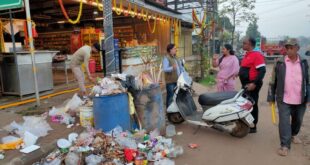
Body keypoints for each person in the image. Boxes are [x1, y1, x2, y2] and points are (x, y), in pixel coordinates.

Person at [267, 38, 310, 156]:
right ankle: (285, 145)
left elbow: (308, 81)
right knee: (284, 122)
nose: (289, 50)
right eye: (287, 48)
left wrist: (308, 97)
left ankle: (293, 134)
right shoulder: (280, 63)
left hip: (300, 98)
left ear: (297, 48)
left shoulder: (304, 62)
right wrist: (271, 97)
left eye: (291, 48)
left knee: (298, 121)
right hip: (284, 99)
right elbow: (272, 81)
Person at [239, 37, 266, 133]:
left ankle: (253, 126)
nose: (243, 44)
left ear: (250, 44)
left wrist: (254, 84)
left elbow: (262, 71)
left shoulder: (257, 55)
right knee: (244, 103)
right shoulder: (247, 55)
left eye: (244, 43)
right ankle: (246, 122)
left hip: (252, 85)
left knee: (252, 104)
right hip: (246, 84)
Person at [163, 44, 184, 108]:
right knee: (170, 97)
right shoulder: (166, 58)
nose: (176, 50)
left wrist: (183, 72)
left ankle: (174, 110)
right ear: (170, 50)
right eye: (174, 48)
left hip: (178, 80)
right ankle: (168, 111)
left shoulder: (176, 57)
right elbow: (165, 69)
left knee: (176, 96)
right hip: (170, 82)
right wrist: (172, 68)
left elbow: (180, 67)